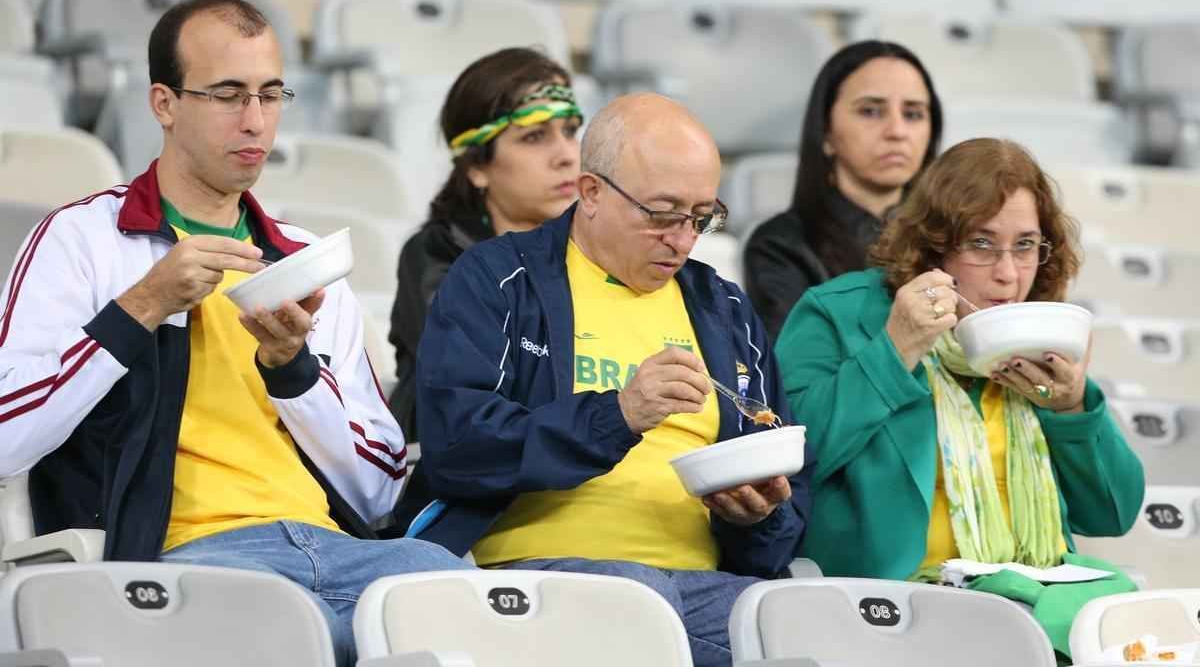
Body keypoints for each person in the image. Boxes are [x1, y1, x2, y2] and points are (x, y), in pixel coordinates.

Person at [0, 0, 466, 667]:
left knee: (478, 621)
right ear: (164, 104)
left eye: (270, 95)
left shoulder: (305, 261)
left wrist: (293, 369)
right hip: (187, 559)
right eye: (227, 95)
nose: (255, 122)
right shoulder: (84, 238)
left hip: (336, 548)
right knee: (319, 644)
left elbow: (381, 486)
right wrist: (144, 306)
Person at [413, 93, 812, 667]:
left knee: (820, 631)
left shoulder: (724, 308)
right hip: (548, 578)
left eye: (702, 216)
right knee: (641, 615)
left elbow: (789, 495)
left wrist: (760, 517)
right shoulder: (500, 279)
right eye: (661, 213)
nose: (683, 239)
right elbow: (458, 446)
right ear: (592, 192)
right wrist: (618, 416)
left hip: (706, 585)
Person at [775, 138, 1143, 595]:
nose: (1008, 274)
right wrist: (894, 351)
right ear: (933, 248)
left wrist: (1071, 410)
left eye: (1025, 246)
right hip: (894, 604)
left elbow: (1113, 513)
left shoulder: (1040, 331)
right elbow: (786, 468)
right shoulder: (841, 313)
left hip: (1033, 592)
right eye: (982, 244)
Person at [387, 47, 582, 439]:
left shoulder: (599, 251)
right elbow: (483, 385)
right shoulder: (436, 254)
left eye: (571, 131)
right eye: (534, 137)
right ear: (477, 166)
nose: (566, 154)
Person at [744, 40, 942, 340]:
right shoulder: (780, 247)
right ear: (825, 132)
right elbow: (797, 376)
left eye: (913, 114)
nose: (897, 131)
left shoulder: (947, 237)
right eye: (871, 111)